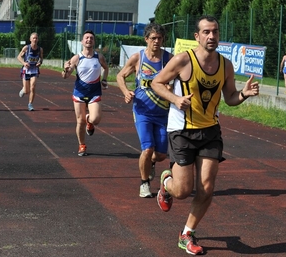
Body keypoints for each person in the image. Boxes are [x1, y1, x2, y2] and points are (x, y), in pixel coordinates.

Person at [151, 15, 259, 255]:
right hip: (182, 131)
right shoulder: (182, 60)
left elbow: (230, 98)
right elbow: (156, 83)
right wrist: (176, 99)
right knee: (182, 191)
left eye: (216, 32)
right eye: (207, 32)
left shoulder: (226, 65)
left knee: (207, 188)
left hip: (210, 131)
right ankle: (166, 183)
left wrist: (243, 94)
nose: (212, 36)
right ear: (196, 36)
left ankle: (187, 233)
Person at [116, 23, 173, 198]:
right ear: (146, 39)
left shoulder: (169, 59)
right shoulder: (137, 58)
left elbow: (177, 82)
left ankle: (151, 164)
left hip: (163, 113)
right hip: (142, 112)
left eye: (160, 38)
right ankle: (144, 184)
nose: (156, 41)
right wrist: (126, 92)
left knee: (161, 154)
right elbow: (120, 75)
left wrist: (171, 89)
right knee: (147, 149)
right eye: (153, 38)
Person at [61, 30, 109, 156]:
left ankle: (89, 120)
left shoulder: (99, 57)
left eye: (91, 38)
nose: (89, 40)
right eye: (86, 38)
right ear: (82, 41)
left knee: (96, 119)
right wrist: (65, 70)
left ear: (94, 42)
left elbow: (106, 68)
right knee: (79, 122)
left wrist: (104, 79)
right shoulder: (77, 58)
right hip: (79, 93)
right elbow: (66, 76)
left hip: (94, 92)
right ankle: (82, 145)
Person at [17, 32, 44, 111]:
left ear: (38, 39)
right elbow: (19, 57)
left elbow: (41, 58)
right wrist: (24, 63)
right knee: (26, 91)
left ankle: (30, 104)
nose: (35, 39)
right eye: (33, 38)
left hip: (34, 70)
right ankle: (24, 90)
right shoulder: (26, 48)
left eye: (36, 38)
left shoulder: (40, 49)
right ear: (30, 39)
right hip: (26, 70)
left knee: (33, 87)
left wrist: (40, 62)